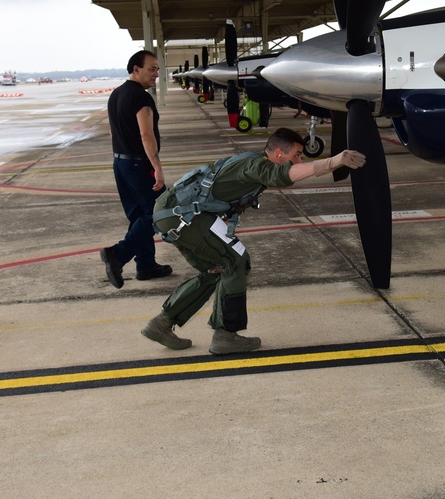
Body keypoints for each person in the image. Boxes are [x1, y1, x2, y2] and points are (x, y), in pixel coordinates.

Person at [141, 127, 366, 354]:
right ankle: (226, 336)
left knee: (215, 270)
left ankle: (161, 324)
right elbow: (284, 175)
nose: (299, 160)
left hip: (175, 214)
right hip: (184, 216)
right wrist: (333, 161)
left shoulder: (252, 161)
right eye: (297, 155)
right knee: (235, 261)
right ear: (279, 154)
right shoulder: (256, 165)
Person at [100, 50, 174, 288]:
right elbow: (146, 134)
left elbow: (113, 132)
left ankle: (145, 264)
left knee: (138, 215)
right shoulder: (141, 98)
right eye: (151, 69)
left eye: (157, 69)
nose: (156, 74)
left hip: (120, 163)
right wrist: (157, 166)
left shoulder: (116, 94)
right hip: (139, 164)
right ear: (135, 69)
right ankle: (118, 255)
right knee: (159, 212)